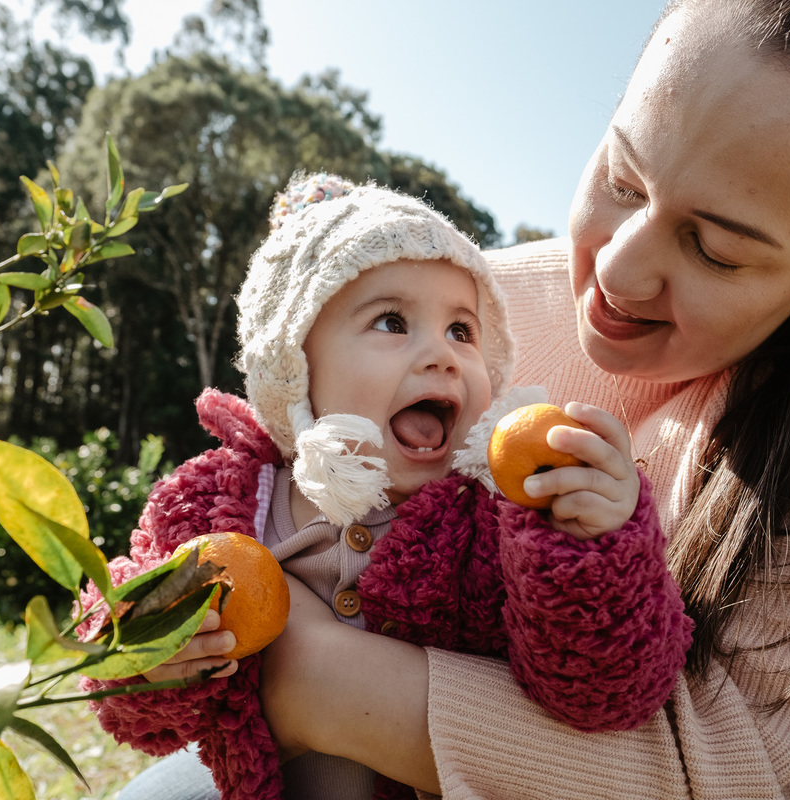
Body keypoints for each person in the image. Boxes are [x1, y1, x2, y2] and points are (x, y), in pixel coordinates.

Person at [130, 0, 790, 797]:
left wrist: (312, 681)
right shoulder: (467, 313)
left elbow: (730, 773)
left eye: (716, 249)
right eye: (625, 177)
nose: (617, 270)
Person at [77, 175, 693, 800]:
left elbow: (602, 690)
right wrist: (148, 657)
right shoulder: (222, 503)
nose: (442, 355)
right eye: (393, 321)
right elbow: (121, 667)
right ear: (294, 365)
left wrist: (591, 550)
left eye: (462, 330)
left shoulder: (497, 521)